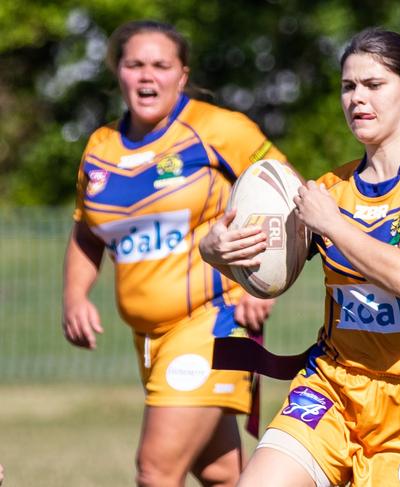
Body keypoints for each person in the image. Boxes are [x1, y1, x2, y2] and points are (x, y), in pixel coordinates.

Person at [200, 28, 400, 487]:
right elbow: (268, 270)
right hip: (333, 387)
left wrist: (332, 223)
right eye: (349, 86)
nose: (358, 99)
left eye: (374, 85)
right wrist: (215, 251)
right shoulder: (333, 188)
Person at [61, 20, 285, 487]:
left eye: (161, 66)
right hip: (147, 340)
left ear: (182, 75)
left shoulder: (219, 129)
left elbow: (288, 195)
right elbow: (88, 233)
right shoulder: (99, 148)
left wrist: (266, 283)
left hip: (211, 324)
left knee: (155, 471)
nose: (147, 76)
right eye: (134, 64)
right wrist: (75, 297)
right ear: (118, 72)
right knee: (223, 474)